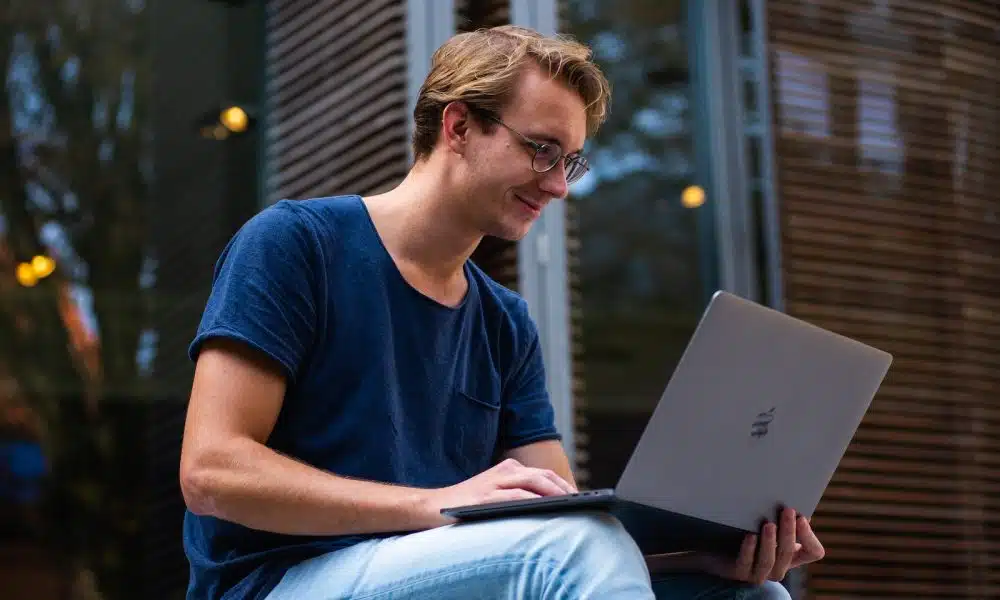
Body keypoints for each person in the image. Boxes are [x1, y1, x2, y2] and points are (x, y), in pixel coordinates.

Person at [178, 25, 825, 600]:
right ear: (458, 127)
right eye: (541, 149)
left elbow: (565, 521)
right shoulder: (296, 245)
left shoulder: (504, 323)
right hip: (278, 582)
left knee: (749, 593)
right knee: (575, 549)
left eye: (570, 160)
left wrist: (705, 554)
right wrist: (435, 506)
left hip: (437, 571)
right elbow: (211, 472)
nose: (559, 184)